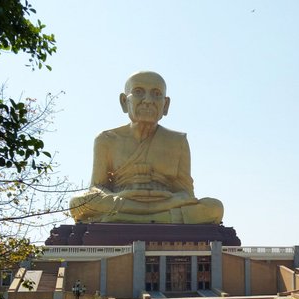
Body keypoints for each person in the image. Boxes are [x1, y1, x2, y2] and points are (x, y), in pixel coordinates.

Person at [69, 71, 223, 224]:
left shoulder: (178, 141)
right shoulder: (107, 139)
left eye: (156, 94)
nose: (148, 100)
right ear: (124, 101)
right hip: (124, 200)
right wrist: (120, 196)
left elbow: (186, 193)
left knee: (214, 207)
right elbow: (97, 188)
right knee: (78, 204)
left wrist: (171, 200)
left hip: (163, 203)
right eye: (138, 92)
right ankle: (159, 219)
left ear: (166, 104)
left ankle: (124, 219)